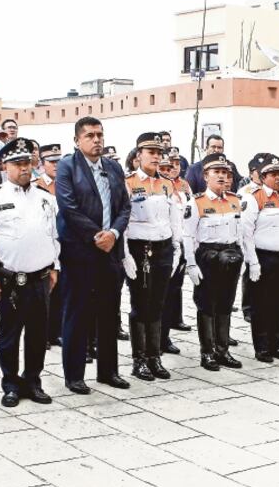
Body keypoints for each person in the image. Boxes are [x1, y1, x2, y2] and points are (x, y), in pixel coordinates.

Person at [0, 138, 57, 406]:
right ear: (4, 166)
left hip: (40, 278)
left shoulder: (45, 198)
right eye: (17, 163)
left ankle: (33, 381)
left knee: (38, 335)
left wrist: (55, 267)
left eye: (27, 163)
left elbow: (54, 236)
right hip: (11, 281)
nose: (24, 168)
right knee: (9, 335)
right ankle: (10, 384)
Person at [55, 116, 131, 393]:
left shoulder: (113, 167)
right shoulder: (67, 166)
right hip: (80, 251)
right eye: (90, 135)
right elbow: (68, 207)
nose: (96, 140)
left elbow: (125, 206)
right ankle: (74, 375)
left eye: (99, 135)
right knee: (77, 313)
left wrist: (114, 234)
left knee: (109, 312)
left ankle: (108, 371)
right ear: (77, 140)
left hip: (110, 250)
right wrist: (97, 235)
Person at [121, 132, 183, 381]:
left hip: (163, 248)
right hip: (139, 249)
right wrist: (125, 254)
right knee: (140, 304)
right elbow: (123, 220)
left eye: (159, 153)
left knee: (158, 303)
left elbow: (174, 218)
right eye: (151, 152)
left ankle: (154, 357)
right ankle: (139, 360)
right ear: (139, 155)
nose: (156, 157)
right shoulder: (129, 182)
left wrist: (177, 248)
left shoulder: (167, 184)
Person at [183, 153, 244, 371]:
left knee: (226, 303)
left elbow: (240, 233)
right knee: (207, 305)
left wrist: (245, 258)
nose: (221, 176)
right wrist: (191, 264)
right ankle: (207, 352)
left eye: (225, 172)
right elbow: (188, 235)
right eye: (216, 172)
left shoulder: (235, 201)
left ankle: (223, 350)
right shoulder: (197, 202)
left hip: (231, 255)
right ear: (205, 176)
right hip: (207, 257)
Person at [241, 154, 279, 362]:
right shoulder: (254, 197)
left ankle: (277, 344)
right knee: (261, 304)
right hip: (265, 258)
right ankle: (262, 347)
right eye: (273, 174)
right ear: (263, 177)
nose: (278, 178)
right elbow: (246, 233)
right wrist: (252, 262)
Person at [158, 147, 194, 354]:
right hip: (160, 247)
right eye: (164, 167)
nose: (169, 170)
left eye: (172, 166)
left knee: (173, 291)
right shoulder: (155, 189)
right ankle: (154, 341)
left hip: (179, 245)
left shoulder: (180, 189)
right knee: (158, 297)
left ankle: (164, 336)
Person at [37, 144, 64, 345]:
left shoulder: (66, 183)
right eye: (51, 162)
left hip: (64, 242)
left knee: (61, 291)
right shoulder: (36, 185)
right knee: (46, 290)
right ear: (42, 164)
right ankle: (44, 334)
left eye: (58, 161)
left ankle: (56, 332)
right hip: (45, 242)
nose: (56, 165)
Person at [237, 155, 265, 323]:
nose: (261, 173)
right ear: (251, 173)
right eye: (257, 170)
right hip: (250, 238)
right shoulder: (245, 192)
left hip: (265, 239)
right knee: (250, 273)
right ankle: (248, 308)